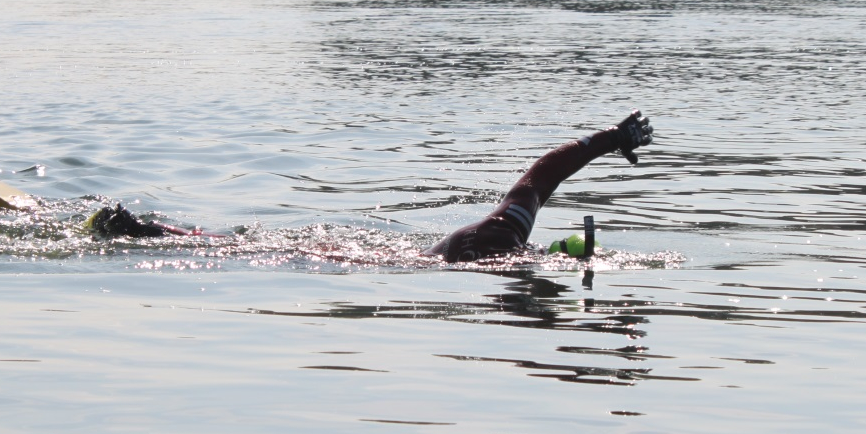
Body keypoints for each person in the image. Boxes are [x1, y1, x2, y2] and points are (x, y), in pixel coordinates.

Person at [84, 110, 653, 259]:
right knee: (257, 249)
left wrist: (608, 137)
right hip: (394, 262)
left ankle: (144, 229)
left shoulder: (508, 236)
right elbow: (539, 178)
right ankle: (143, 229)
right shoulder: (503, 243)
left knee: (258, 247)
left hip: (397, 256)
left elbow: (539, 175)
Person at [422, 110, 653, 263]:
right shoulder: (508, 245)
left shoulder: (504, 229)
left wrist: (612, 136)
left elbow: (546, 172)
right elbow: (544, 175)